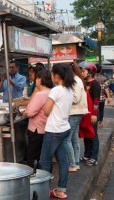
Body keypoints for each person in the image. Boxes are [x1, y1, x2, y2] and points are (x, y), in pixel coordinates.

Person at [40, 63, 75, 199]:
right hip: (64, 128)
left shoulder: (55, 90)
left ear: (56, 76)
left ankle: (43, 190)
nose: (51, 77)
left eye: (52, 74)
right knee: (63, 161)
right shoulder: (69, 90)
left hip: (54, 130)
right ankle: (61, 190)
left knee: (45, 160)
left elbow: (46, 110)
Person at [23, 70, 53, 168]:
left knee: (32, 157)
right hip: (47, 128)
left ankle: (35, 178)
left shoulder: (40, 95)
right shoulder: (52, 92)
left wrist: (25, 111)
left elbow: (30, 112)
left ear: (40, 80)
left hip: (37, 129)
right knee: (44, 156)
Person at [66, 62, 88, 172]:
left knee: (67, 139)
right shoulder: (79, 80)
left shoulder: (75, 81)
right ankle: (76, 163)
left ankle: (72, 164)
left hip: (74, 112)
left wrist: (64, 97)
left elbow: (75, 99)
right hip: (77, 112)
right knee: (74, 138)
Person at [80, 63, 101, 166]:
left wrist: (94, 114)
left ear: (90, 72)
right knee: (86, 134)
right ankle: (87, 154)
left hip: (91, 114)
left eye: (84, 71)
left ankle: (93, 157)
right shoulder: (84, 83)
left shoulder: (95, 84)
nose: (82, 73)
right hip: (85, 113)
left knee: (93, 135)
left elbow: (97, 101)